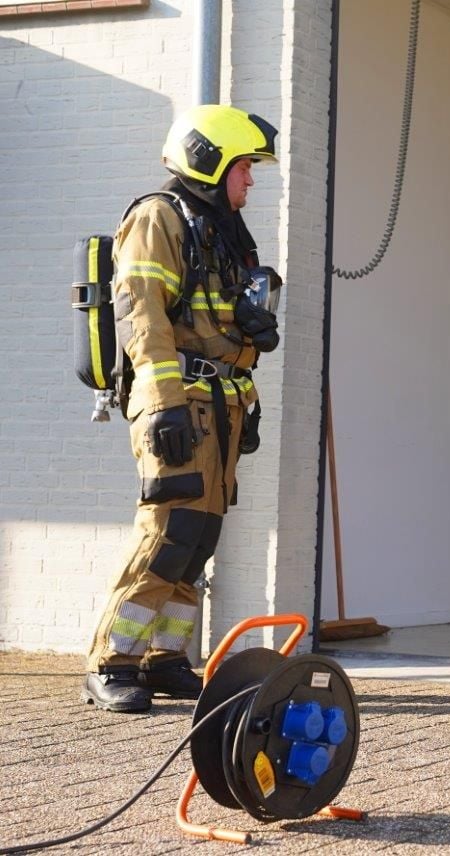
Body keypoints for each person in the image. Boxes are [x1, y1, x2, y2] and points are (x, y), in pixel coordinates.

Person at [82, 104, 283, 713]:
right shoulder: (158, 218)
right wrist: (166, 405)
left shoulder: (218, 230)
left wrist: (252, 339)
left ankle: (164, 659)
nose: (250, 180)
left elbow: (210, 323)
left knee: (200, 539)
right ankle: (110, 661)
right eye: (245, 167)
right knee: (168, 534)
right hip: (177, 403)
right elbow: (141, 314)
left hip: (218, 405)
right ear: (209, 159)